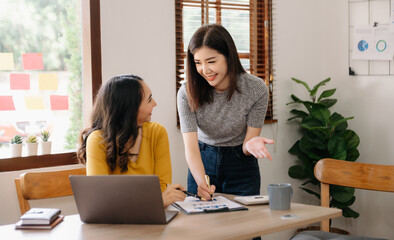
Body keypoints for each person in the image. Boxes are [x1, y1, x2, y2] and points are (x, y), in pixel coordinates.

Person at [177, 24, 275, 201]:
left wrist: (251, 145)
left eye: (211, 61)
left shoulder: (256, 89)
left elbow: (247, 145)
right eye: (198, 63)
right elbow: (191, 148)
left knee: (245, 225)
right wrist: (202, 184)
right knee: (200, 226)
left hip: (241, 164)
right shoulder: (186, 92)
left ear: (229, 56)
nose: (205, 70)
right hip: (202, 160)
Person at [77, 74, 186, 208]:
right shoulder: (97, 139)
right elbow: (102, 199)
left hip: (151, 219)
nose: (155, 103)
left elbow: (161, 189)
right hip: (114, 224)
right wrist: (155, 202)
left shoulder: (157, 133)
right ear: (129, 108)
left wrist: (156, 201)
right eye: (149, 99)